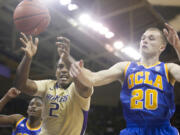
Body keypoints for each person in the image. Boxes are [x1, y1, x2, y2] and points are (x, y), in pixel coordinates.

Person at [70, 23, 180, 135]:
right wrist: (77, 68)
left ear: (162, 47)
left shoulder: (168, 68)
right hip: (133, 130)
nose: (145, 41)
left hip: (162, 130)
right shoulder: (125, 67)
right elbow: (93, 78)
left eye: (151, 38)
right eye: (143, 38)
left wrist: (177, 46)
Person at [15, 33, 93, 135]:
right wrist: (27, 57)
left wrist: (67, 58)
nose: (64, 70)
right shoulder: (48, 85)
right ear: (55, 72)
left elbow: (85, 87)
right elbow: (21, 85)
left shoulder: (79, 87)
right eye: (60, 66)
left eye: (68, 67)